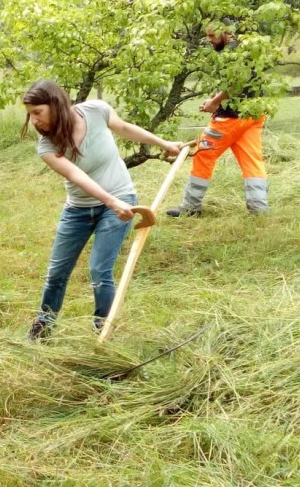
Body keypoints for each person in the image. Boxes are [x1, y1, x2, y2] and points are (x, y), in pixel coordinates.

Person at [23, 80, 183, 340]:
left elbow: (125, 128)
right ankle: (43, 328)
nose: (33, 120)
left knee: (99, 270)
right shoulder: (46, 146)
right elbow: (76, 176)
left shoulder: (96, 110)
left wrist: (164, 143)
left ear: (55, 105)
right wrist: (110, 201)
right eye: (30, 114)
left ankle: (103, 330)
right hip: (79, 210)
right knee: (56, 273)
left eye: (37, 112)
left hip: (121, 201)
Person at [166, 26, 269, 217]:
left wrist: (214, 103)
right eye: (208, 36)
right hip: (254, 113)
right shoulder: (247, 47)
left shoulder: (231, 52)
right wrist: (215, 99)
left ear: (226, 32)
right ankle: (259, 209)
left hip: (231, 118)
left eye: (213, 36)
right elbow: (238, 84)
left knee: (203, 155)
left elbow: (235, 83)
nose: (210, 40)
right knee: (251, 160)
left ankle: (191, 207)